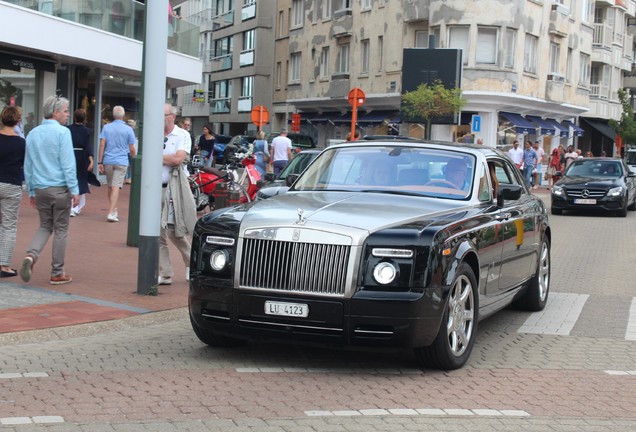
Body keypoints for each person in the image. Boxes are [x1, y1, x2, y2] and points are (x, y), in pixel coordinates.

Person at [19, 96, 79, 285]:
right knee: (61, 229)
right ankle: (57, 272)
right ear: (56, 112)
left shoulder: (33, 133)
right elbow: (68, 164)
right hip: (59, 187)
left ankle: (31, 255)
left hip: (41, 188)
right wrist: (75, 189)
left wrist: (31, 190)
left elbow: (28, 164)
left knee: (45, 225)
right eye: (65, 111)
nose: (67, 114)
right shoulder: (63, 133)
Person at [160, 103, 197, 286]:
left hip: (172, 188)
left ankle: (191, 262)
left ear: (173, 116)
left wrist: (156, 156)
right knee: (156, 232)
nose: (160, 118)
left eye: (164, 114)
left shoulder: (182, 135)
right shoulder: (153, 132)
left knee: (175, 231)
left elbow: (177, 159)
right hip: (153, 188)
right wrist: (167, 158)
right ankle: (165, 273)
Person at [97, 105, 136, 222]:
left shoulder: (106, 128)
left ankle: (113, 209)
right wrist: (134, 158)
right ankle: (111, 212)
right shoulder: (128, 129)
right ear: (123, 116)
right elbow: (132, 148)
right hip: (121, 161)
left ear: (113, 115)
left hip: (108, 160)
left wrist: (100, 161)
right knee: (116, 186)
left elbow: (102, 144)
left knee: (111, 186)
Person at [0, 107, 26, 278]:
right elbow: (23, 165)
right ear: (17, 122)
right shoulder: (21, 142)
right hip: (11, 184)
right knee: (8, 226)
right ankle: (4, 266)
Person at [67, 109, 94, 217]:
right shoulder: (86, 130)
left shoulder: (67, 129)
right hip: (82, 157)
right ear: (84, 119)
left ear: (74, 117)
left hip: (70, 155)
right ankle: (76, 207)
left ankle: (71, 206)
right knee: (81, 180)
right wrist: (91, 160)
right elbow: (88, 146)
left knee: (70, 178)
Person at [125, 118, 138, 184]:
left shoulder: (126, 131)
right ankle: (128, 178)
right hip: (129, 151)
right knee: (129, 165)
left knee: (128, 165)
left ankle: (127, 178)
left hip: (127, 151)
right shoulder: (131, 132)